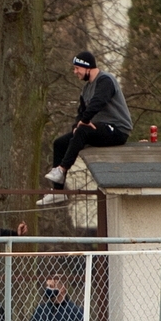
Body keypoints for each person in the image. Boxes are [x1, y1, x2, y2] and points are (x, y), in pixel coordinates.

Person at [38, 51, 133, 206]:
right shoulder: (85, 90)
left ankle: (61, 169)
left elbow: (98, 102)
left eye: (77, 68)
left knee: (83, 130)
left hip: (117, 130)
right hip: (97, 128)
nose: (75, 72)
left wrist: (83, 122)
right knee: (60, 143)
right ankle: (58, 192)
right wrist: (77, 126)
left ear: (87, 67)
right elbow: (81, 113)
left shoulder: (105, 80)